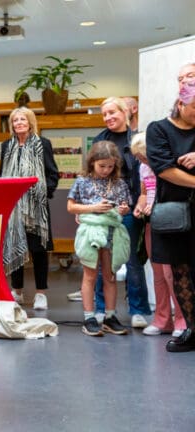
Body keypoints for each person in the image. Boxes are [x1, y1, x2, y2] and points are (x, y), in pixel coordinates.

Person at [91, 97, 150, 328]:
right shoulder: (99, 140)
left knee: (133, 260)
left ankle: (138, 311)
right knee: (101, 260)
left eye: (112, 112)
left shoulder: (137, 138)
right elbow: (90, 175)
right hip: (103, 209)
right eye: (104, 114)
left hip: (130, 207)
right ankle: (100, 309)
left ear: (125, 112)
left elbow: (146, 172)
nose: (108, 117)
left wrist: (141, 202)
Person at [146, 79, 195, 352]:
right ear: (180, 104)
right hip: (175, 213)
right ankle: (192, 328)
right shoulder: (158, 129)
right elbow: (163, 168)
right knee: (181, 272)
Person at [67, 140, 132, 337]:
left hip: (112, 233)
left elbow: (125, 207)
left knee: (110, 276)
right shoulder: (82, 181)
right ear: (92, 162)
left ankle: (110, 317)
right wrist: (93, 208)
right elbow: (71, 207)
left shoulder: (120, 183)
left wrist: (123, 209)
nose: (106, 170)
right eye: (102, 166)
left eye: (110, 166)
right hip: (90, 233)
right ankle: (89, 317)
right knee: (90, 276)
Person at [0, 107, 59, 310]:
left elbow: (52, 173)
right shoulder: (7, 146)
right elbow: (1, 174)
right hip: (13, 207)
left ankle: (41, 293)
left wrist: (43, 192)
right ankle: (18, 291)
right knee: (16, 245)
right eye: (15, 120)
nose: (19, 123)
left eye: (23, 119)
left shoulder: (43, 144)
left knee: (39, 250)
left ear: (30, 122)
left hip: (36, 207)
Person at [129, 132, 186, 337]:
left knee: (173, 274)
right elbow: (145, 193)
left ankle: (182, 320)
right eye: (138, 157)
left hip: (171, 223)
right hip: (152, 224)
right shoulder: (143, 167)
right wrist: (140, 205)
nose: (141, 160)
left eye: (143, 156)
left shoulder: (169, 167)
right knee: (158, 273)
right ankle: (162, 319)